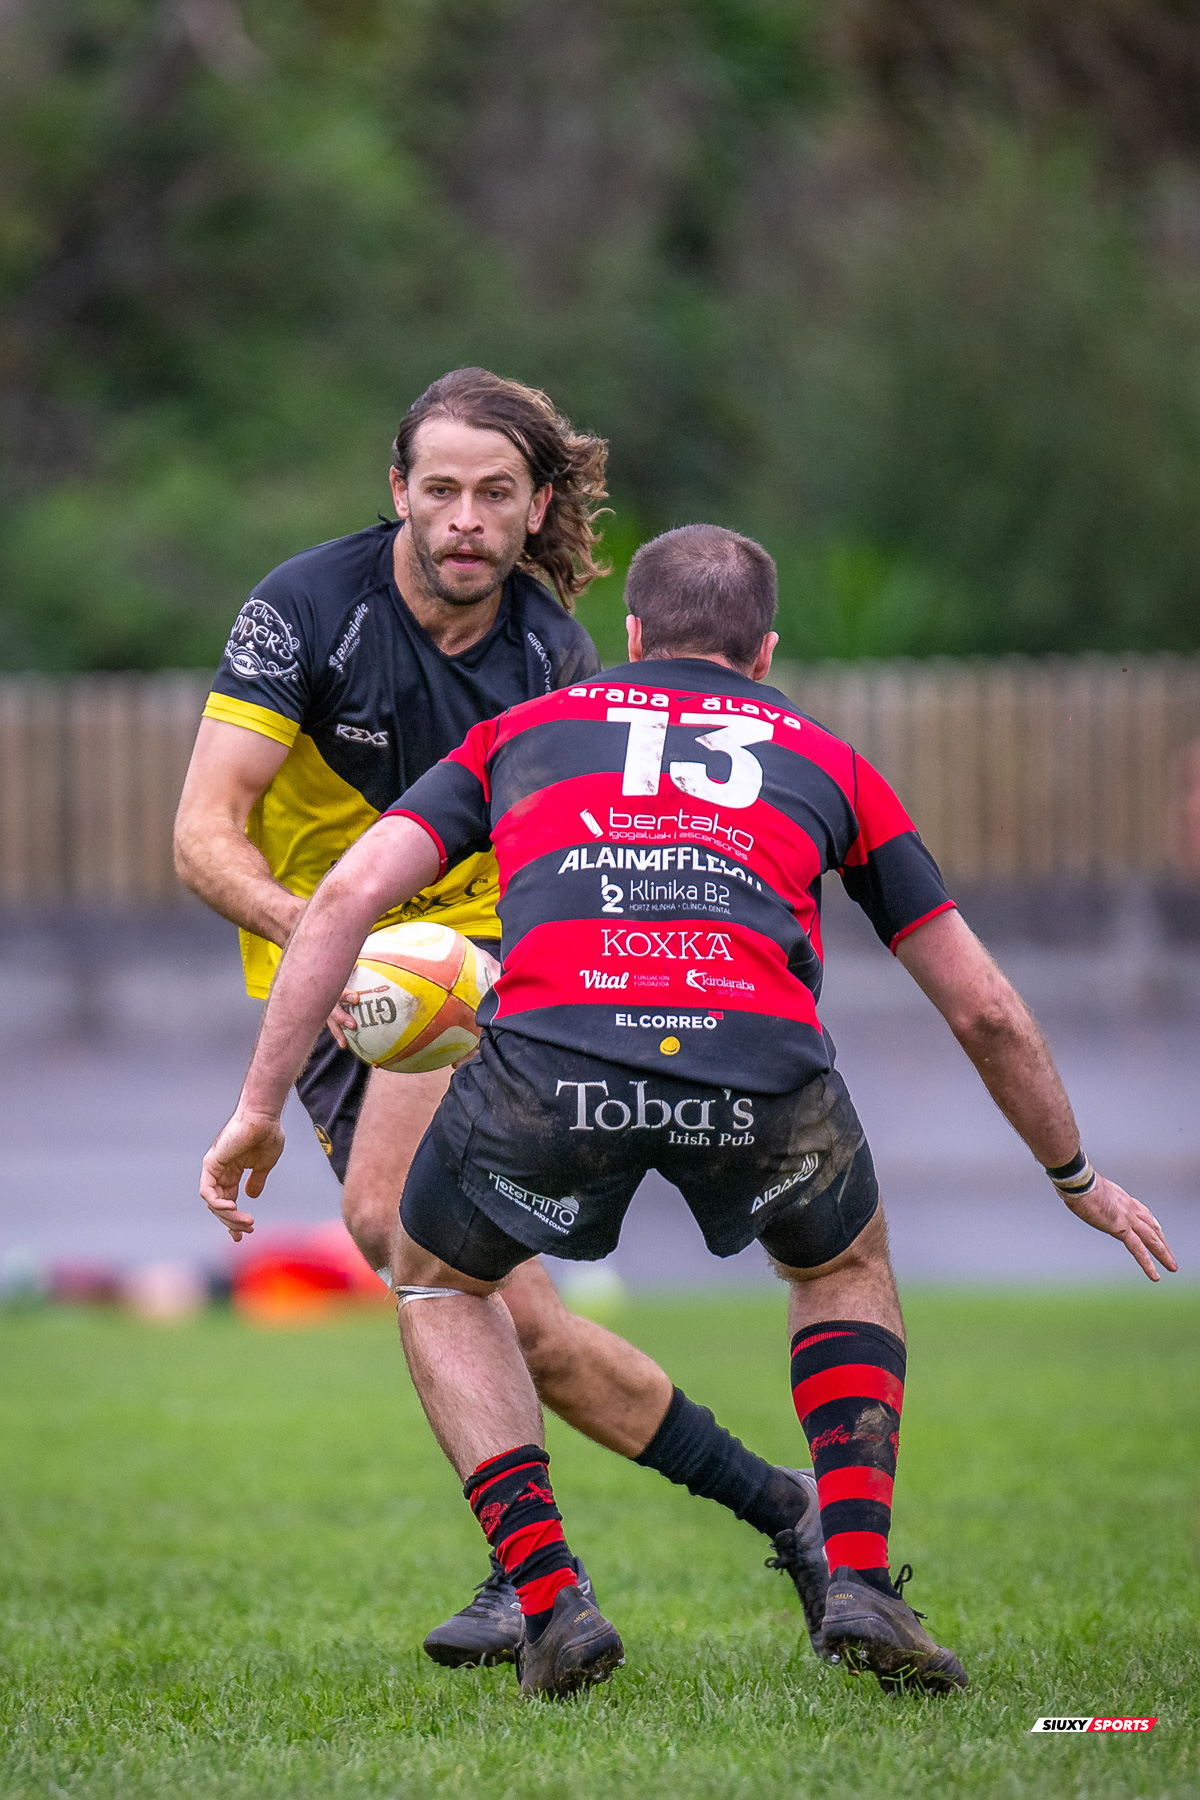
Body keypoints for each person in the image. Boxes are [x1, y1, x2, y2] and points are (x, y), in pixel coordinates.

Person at [200, 520, 1178, 1698]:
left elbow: (349, 894)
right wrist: (1077, 1178)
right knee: (838, 1262)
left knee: (437, 1279)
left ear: (626, 638)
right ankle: (857, 1571)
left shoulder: (522, 733)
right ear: (764, 652)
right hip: (762, 1078)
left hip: (552, 1069)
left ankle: (550, 1596)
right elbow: (985, 1010)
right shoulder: (830, 761)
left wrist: (259, 1103)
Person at [176, 374, 829, 1668]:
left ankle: (541, 1584)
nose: (464, 518)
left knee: (395, 1233)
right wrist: (340, 938)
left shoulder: (552, 657)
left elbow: (582, 865)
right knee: (499, 1305)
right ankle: (766, 1512)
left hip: (475, 972)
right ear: (398, 494)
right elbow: (204, 838)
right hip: (341, 976)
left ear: (537, 507)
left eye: (493, 494)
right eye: (440, 490)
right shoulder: (305, 610)